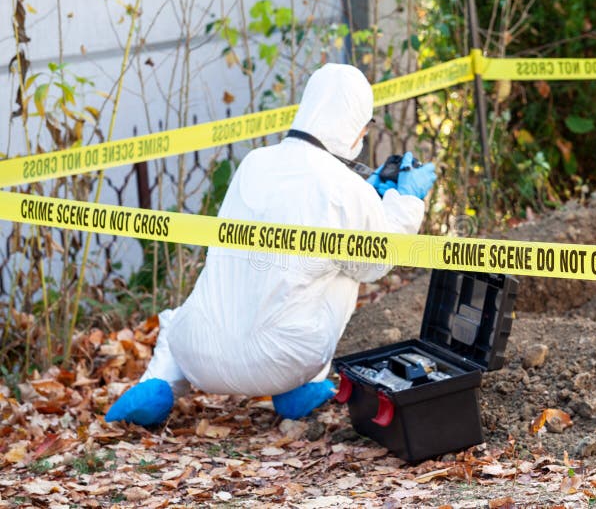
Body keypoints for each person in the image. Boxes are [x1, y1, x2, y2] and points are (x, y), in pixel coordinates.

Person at [105, 63, 437, 426]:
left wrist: (368, 197)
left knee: (205, 295)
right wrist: (406, 201)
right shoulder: (346, 189)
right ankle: (302, 388)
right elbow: (377, 262)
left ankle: (160, 382)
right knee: (347, 267)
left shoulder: (254, 163)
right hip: (283, 361)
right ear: (356, 123)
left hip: (198, 353)